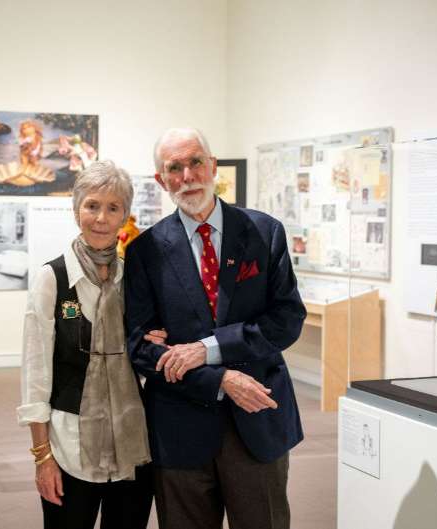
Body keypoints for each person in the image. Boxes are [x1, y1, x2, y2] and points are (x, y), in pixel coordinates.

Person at [124, 128, 306, 529]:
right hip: (180, 425)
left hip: (257, 416)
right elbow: (140, 347)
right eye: (174, 168)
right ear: (161, 180)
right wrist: (221, 379)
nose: (187, 176)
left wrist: (208, 349)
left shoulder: (264, 232)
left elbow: (287, 319)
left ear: (213, 166)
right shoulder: (144, 252)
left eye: (195, 162)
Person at [17, 160, 154, 529]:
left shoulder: (134, 277)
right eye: (92, 205)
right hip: (70, 449)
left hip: (132, 446)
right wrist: (42, 457)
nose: (101, 218)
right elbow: (35, 374)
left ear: (125, 215)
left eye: (113, 208)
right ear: (76, 209)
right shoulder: (53, 278)